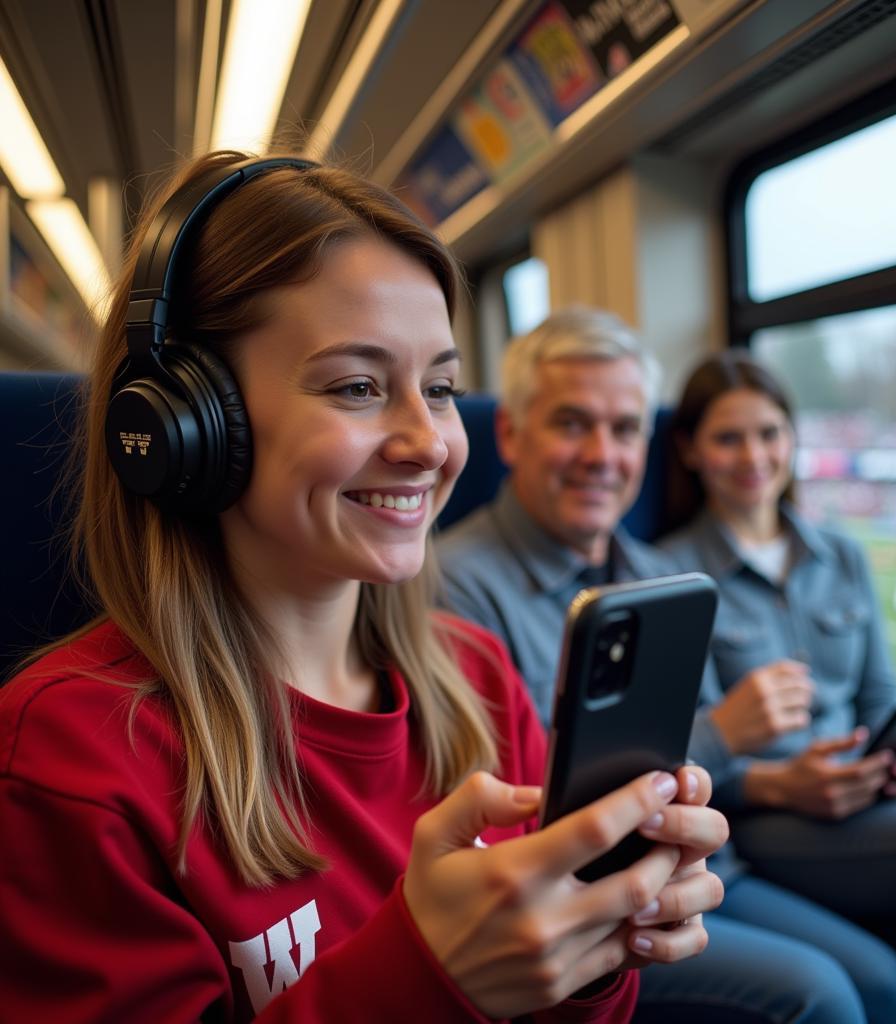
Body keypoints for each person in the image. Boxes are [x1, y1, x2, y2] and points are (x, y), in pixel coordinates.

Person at [0, 153, 728, 1022]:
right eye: (357, 386)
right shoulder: (67, 759)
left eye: (442, 388)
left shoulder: (479, 680)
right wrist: (429, 980)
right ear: (185, 423)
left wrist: (595, 942)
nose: (429, 441)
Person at [439, 307, 896, 1024]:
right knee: (827, 1000)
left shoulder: (659, 576)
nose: (604, 454)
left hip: (699, 868)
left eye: (626, 429)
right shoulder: (457, 584)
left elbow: (710, 776)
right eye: (573, 424)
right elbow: (514, 804)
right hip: (580, 905)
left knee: (887, 983)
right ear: (509, 433)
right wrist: (721, 734)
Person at [659, 348, 896, 1024]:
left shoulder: (844, 553)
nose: (754, 455)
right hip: (763, 825)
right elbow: (687, 758)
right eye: (728, 437)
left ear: (792, 440)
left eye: (770, 433)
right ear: (689, 450)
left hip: (864, 811)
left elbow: (882, 699)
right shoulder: (671, 576)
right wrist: (778, 783)